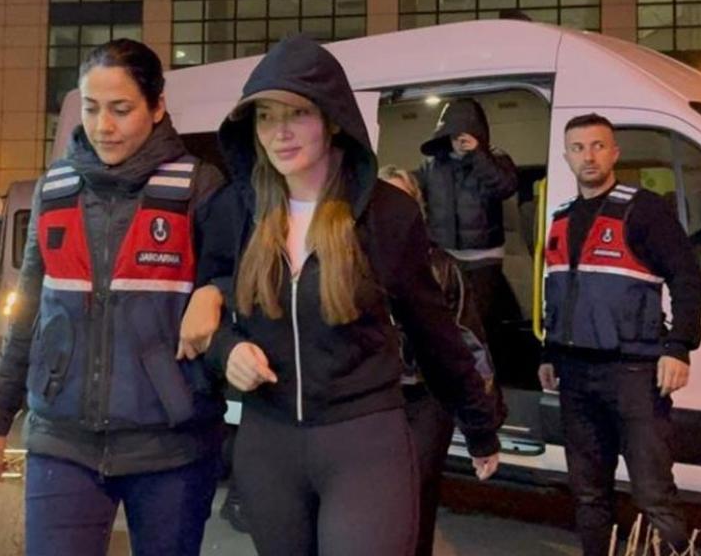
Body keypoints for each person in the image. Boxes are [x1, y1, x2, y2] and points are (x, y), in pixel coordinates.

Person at [197, 36, 501, 556]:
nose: (279, 132)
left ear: (332, 118)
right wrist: (227, 351)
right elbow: (208, 306)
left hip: (364, 442)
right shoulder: (235, 212)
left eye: (297, 113)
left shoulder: (387, 214)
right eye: (266, 117)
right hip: (268, 442)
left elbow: (433, 330)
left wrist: (479, 423)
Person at [0, 39, 227, 556]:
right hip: (61, 439)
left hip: (171, 447)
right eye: (91, 108)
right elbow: (28, 313)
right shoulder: (54, 191)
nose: (103, 125)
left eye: (121, 109)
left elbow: (241, 275)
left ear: (157, 107)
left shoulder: (199, 186)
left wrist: (217, 290)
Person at [538, 113, 701, 556]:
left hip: (634, 373)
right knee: (588, 494)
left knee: (654, 494)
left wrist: (679, 347)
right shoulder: (561, 219)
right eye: (578, 148)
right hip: (575, 375)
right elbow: (558, 294)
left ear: (615, 153)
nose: (588, 156)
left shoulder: (644, 210)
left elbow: (688, 279)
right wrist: (548, 353)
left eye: (598, 146)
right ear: (566, 156)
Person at [379, 164, 502, 556]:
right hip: (372, 398)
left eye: (401, 199)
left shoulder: (442, 266)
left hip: (427, 398)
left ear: (417, 207)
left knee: (417, 491)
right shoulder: (351, 264)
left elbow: (470, 347)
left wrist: (483, 424)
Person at [416, 97, 519, 347]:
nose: (460, 140)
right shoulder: (431, 166)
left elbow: (506, 186)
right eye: (454, 135)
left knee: (477, 322)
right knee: (445, 320)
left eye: (466, 134)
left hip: (485, 257)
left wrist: (478, 155)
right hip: (445, 255)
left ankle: (479, 367)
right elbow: (418, 201)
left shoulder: (495, 158)